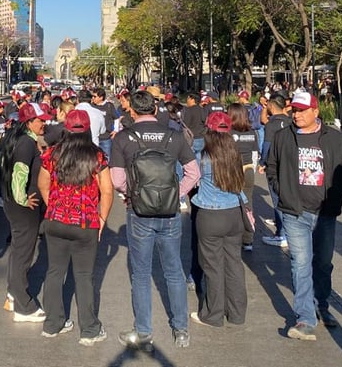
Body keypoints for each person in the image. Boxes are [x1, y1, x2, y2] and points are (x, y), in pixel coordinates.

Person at [110, 90, 200, 349]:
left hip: (138, 213)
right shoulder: (174, 136)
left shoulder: (124, 138)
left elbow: (117, 180)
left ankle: (144, 331)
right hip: (170, 212)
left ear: (132, 111)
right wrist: (175, 194)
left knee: (140, 274)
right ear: (155, 108)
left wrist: (134, 195)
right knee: (174, 271)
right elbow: (193, 173)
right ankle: (181, 329)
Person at [266, 91, 342, 340]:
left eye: (301, 110)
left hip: (325, 213)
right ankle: (305, 318)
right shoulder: (283, 136)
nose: (296, 114)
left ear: (315, 112)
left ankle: (322, 306)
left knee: (323, 263)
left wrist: (336, 195)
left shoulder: (333, 138)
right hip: (294, 212)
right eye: (294, 110)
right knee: (300, 264)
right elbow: (271, 166)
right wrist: (281, 190)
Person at [37, 109, 114, 345]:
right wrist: (101, 219)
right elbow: (107, 190)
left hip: (56, 221)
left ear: (66, 129)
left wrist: (56, 207)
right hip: (85, 222)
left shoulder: (52, 154)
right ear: (88, 129)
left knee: (54, 271)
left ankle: (52, 324)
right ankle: (89, 330)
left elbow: (43, 185)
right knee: (84, 276)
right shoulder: (97, 157)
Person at [190, 111, 248, 328]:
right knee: (234, 264)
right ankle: (237, 313)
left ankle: (213, 315)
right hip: (234, 213)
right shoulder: (235, 154)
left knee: (212, 266)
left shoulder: (203, 157)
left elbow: (192, 179)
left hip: (210, 214)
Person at [0, 102, 50, 322]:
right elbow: (20, 172)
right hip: (23, 207)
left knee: (19, 250)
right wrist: (22, 198)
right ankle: (23, 306)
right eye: (41, 120)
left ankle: (13, 294)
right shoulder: (26, 144)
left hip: (15, 204)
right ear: (29, 122)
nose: (44, 123)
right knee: (23, 254)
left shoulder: (17, 139)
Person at [258, 94, 290, 248]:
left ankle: (282, 234)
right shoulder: (290, 121)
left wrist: (262, 162)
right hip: (290, 165)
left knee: (277, 200)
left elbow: (267, 146)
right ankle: (289, 232)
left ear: (271, 105)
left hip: (275, 167)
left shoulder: (271, 125)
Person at [227, 103, 258, 251]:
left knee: (231, 204)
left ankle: (233, 237)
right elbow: (255, 154)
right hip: (249, 169)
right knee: (248, 204)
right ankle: (248, 239)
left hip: (233, 170)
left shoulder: (228, 132)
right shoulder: (252, 132)